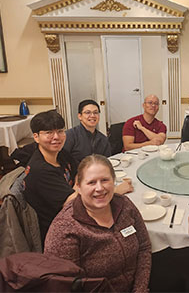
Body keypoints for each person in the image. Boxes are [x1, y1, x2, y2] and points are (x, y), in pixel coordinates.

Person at [44, 154, 151, 292]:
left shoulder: (125, 205)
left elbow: (144, 247)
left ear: (114, 181)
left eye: (105, 180)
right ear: (78, 187)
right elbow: (65, 286)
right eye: (91, 182)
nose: (99, 188)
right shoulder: (65, 228)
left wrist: (140, 289)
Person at [23, 110, 133, 243]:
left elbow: (80, 173)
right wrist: (115, 191)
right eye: (48, 133)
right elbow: (71, 203)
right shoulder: (40, 170)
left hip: (76, 212)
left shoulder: (60, 153)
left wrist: (77, 189)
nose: (56, 137)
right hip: (61, 228)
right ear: (36, 137)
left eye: (60, 131)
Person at [63, 99, 111, 163]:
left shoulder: (103, 139)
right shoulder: (70, 136)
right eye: (88, 112)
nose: (92, 116)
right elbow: (62, 161)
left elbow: (107, 161)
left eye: (95, 112)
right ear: (80, 116)